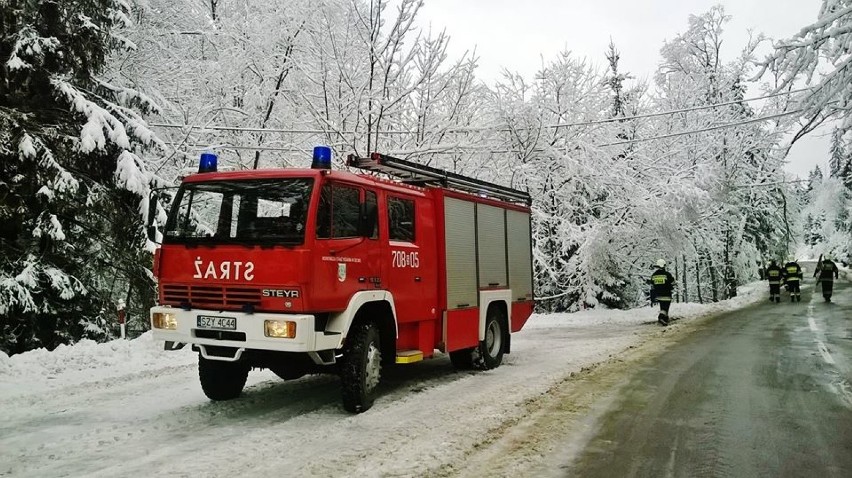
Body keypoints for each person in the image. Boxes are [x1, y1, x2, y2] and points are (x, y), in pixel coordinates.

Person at [651, 259, 676, 326]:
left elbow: (652, 284)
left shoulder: (654, 275)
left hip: (658, 294)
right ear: (663, 266)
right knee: (666, 307)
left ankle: (665, 318)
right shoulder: (667, 274)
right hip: (666, 293)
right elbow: (673, 282)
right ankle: (661, 317)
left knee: (662, 306)